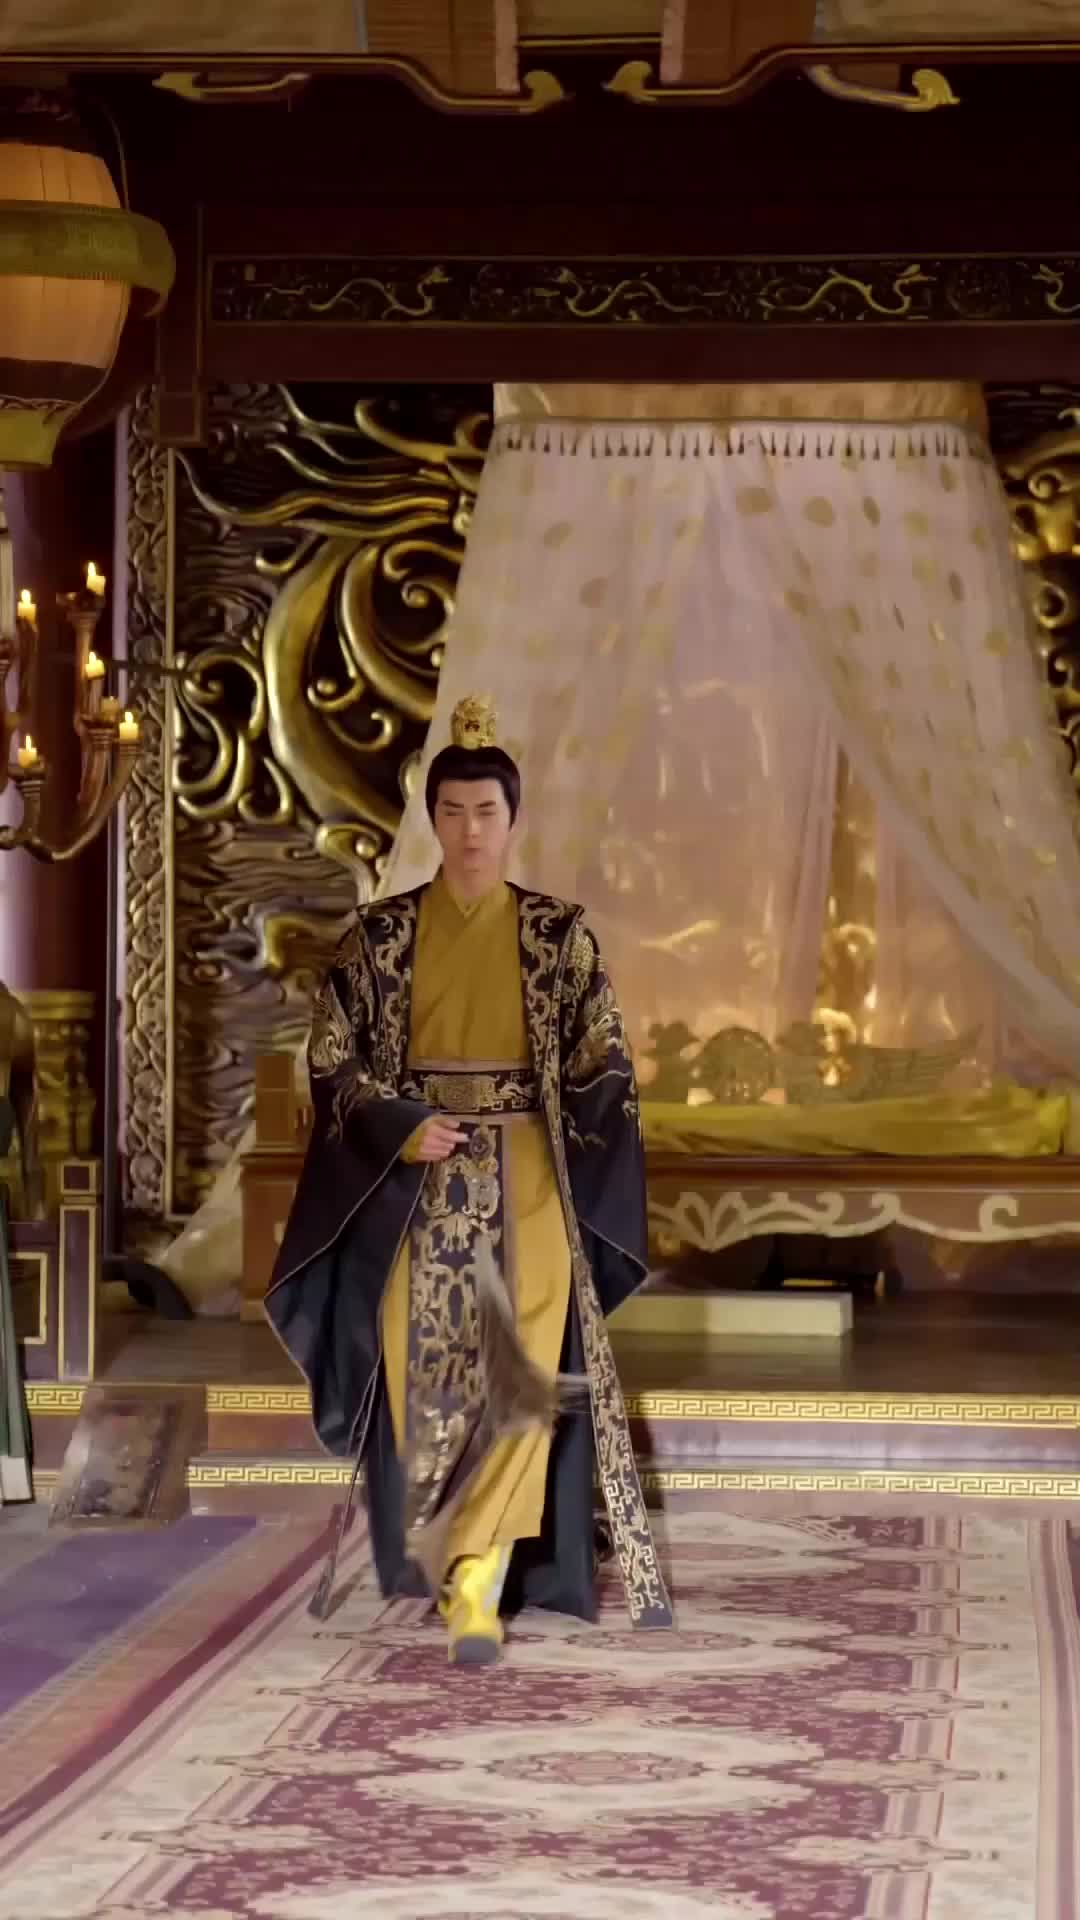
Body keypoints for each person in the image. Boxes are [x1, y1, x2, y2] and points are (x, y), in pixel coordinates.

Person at [268, 694, 671, 1664]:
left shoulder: (557, 936)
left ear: (513, 820)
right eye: (452, 812)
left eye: (486, 812)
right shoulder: (378, 938)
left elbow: (603, 1055)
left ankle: (477, 1580)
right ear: (433, 820)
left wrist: (586, 1107)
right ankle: (455, 1557)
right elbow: (332, 1060)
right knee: (429, 1369)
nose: (470, 831)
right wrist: (399, 1126)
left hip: (529, 1176)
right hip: (420, 1178)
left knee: (520, 1372)